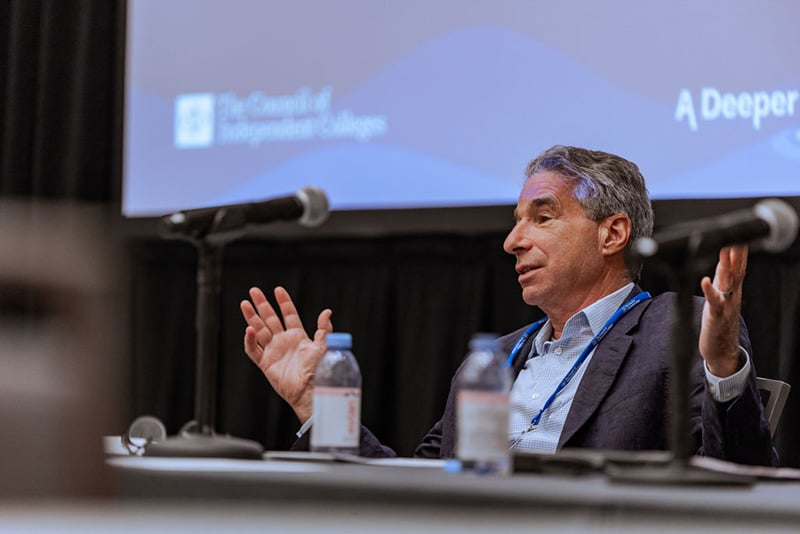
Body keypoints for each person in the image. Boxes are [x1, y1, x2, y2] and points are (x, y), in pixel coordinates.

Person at [240, 145, 776, 466]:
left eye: (542, 218)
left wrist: (724, 369)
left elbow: (739, 475)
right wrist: (318, 404)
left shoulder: (676, 327)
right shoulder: (494, 359)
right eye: (515, 221)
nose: (512, 241)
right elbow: (410, 486)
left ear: (613, 233)